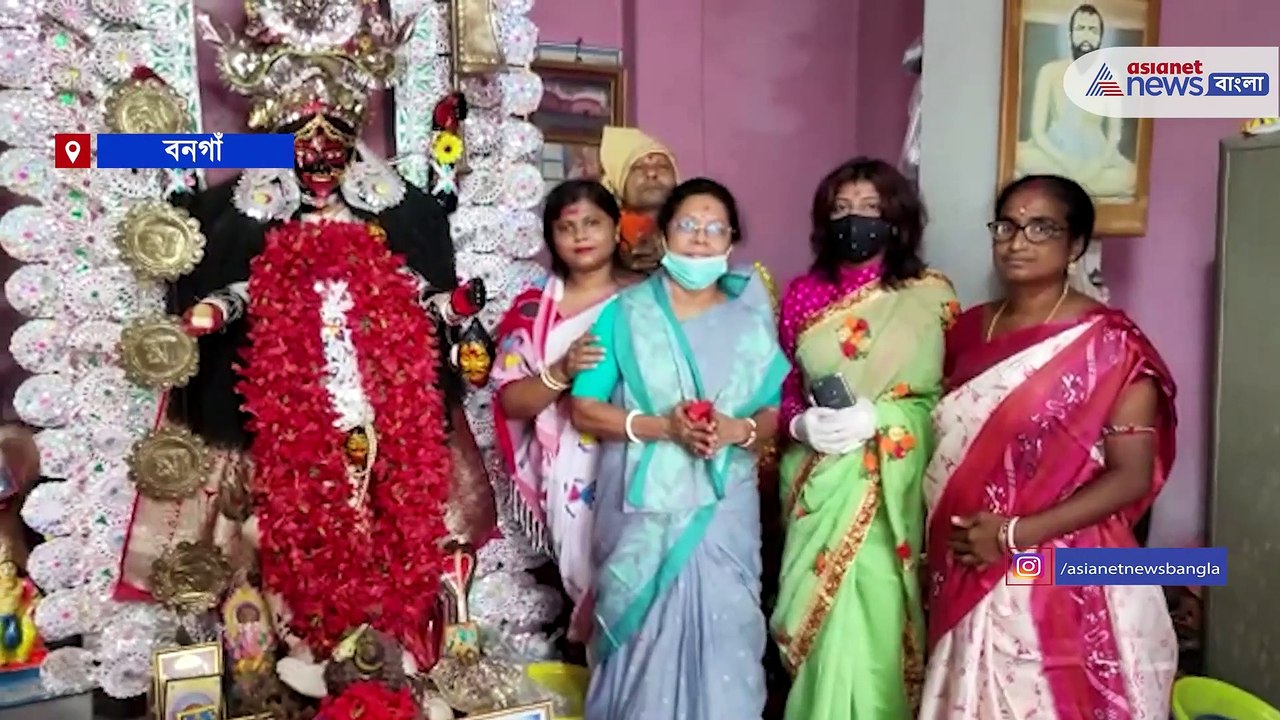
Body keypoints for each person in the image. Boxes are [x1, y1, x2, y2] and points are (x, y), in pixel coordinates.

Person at [116, 0, 495, 699]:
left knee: (383, 522)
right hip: (294, 415)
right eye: (307, 153)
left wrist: (458, 310)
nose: (321, 165)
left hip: (377, 408)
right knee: (287, 533)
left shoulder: (385, 226)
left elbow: (423, 292)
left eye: (334, 152)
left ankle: (382, 656)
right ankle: (301, 666)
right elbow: (241, 287)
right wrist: (210, 309)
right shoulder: (260, 225)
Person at [920, 174, 1177, 719]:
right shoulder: (966, 331)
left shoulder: (1111, 344)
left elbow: (1130, 477)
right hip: (967, 562)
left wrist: (1013, 535)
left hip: (1061, 569)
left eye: (1042, 228)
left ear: (1075, 245)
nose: (1018, 241)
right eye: (1007, 226)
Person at [571, 178, 788, 720]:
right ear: (664, 234)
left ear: (732, 241)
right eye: (688, 225)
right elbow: (584, 409)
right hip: (643, 517)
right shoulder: (626, 314)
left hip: (724, 512)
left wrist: (736, 431)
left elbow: (772, 414)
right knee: (641, 641)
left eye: (715, 228)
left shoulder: (750, 319)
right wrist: (661, 427)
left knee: (727, 631)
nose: (700, 239)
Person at [770, 158, 957, 720]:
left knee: (875, 617)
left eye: (871, 210)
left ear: (898, 221)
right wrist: (801, 423)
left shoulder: (931, 298)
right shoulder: (803, 296)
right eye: (842, 210)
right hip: (818, 483)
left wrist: (883, 417)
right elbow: (780, 389)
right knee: (820, 627)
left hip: (887, 496)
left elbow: (949, 401)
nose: (855, 222)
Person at [492, 180, 627, 643]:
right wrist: (562, 370)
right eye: (566, 227)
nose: (581, 235)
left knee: (638, 584)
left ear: (616, 228)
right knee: (591, 585)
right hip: (570, 471)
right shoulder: (534, 310)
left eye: (592, 223)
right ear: (552, 238)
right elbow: (511, 400)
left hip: (637, 460)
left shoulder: (647, 302)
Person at [1016, 3, 1136, 198]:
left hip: (1094, 157)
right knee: (1020, 156)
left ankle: (1064, 185)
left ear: (1100, 38)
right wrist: (1065, 161)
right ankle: (1080, 185)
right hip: (1055, 153)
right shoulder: (1050, 72)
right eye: (1081, 29)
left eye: (1093, 30)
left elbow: (1114, 134)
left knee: (1131, 175)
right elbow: (1037, 132)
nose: (1087, 36)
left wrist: (1096, 167)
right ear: (1070, 35)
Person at [599, 126, 679, 273]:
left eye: (662, 166)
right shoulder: (602, 238)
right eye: (637, 168)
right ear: (618, 184)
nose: (651, 173)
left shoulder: (697, 229)